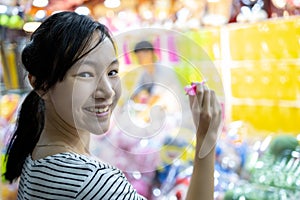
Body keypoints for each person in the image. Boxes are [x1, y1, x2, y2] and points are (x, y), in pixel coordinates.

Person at [3, 11, 222, 200]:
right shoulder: (94, 181)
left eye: (112, 72)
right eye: (86, 74)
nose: (107, 91)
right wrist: (207, 139)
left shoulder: (35, 155)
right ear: (40, 84)